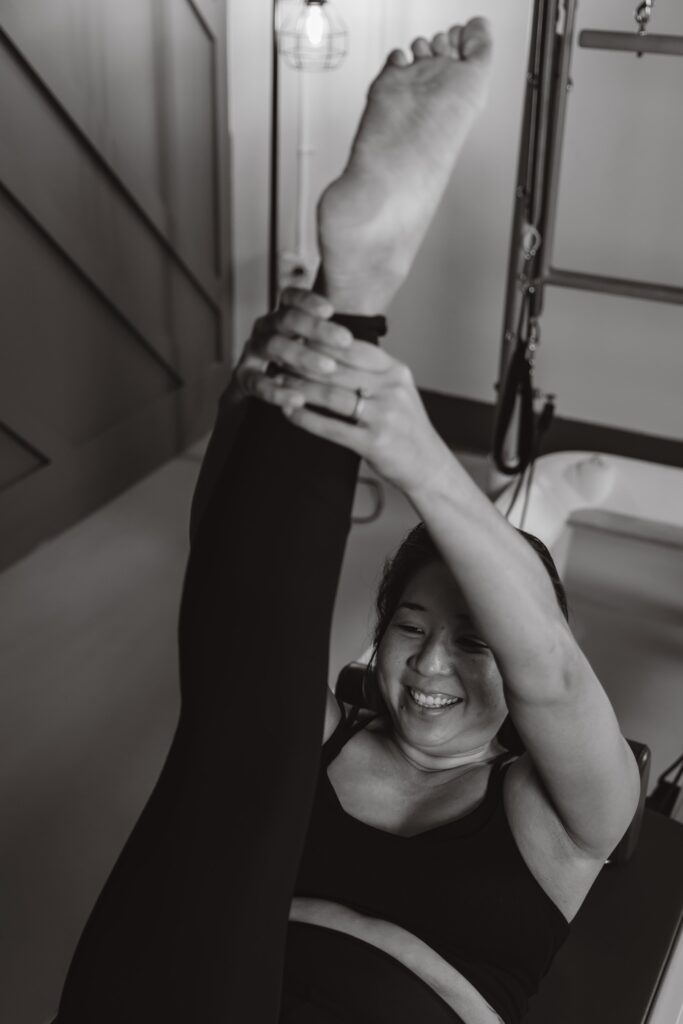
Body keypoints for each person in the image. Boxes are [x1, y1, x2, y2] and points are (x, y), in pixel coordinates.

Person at [54, 19, 640, 1024]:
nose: (426, 667)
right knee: (231, 738)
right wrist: (267, 393)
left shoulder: (567, 813)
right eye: (409, 628)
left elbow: (543, 661)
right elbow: (239, 638)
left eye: (470, 641)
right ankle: (349, 294)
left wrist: (414, 452)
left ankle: (355, 307)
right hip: (194, 986)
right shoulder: (320, 738)